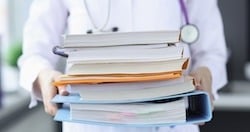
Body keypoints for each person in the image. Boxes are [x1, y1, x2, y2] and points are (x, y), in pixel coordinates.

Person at [18, 0, 228, 132]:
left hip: (170, 122)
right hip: (90, 125)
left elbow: (212, 52)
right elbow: (34, 56)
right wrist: (43, 76)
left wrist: (207, 73)